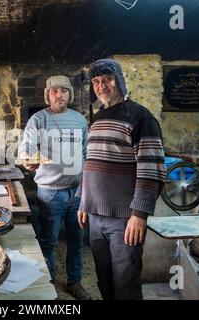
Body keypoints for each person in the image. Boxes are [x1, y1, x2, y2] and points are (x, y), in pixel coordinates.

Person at [76, 59, 166, 300]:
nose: (101, 86)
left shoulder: (140, 118)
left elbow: (152, 170)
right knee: (104, 282)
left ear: (120, 81)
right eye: (96, 82)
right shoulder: (98, 119)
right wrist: (84, 201)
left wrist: (139, 215)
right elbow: (90, 164)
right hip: (95, 218)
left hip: (124, 219)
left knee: (125, 286)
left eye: (107, 79)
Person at [18, 75, 91, 300]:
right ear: (48, 95)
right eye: (54, 91)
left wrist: (88, 184)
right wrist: (28, 159)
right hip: (50, 192)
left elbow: (87, 153)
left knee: (76, 240)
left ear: (70, 94)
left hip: (77, 190)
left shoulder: (80, 120)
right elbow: (25, 149)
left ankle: (74, 283)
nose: (59, 95)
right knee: (48, 241)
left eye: (64, 91)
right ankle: (49, 285)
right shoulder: (39, 119)